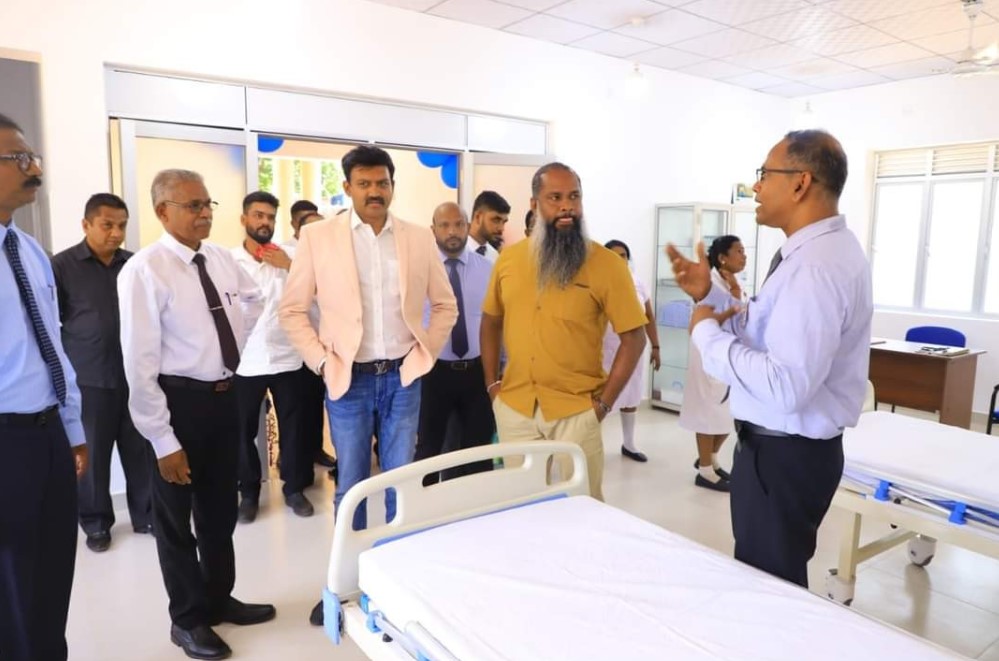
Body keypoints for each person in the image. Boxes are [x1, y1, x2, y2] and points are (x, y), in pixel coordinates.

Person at [666, 130, 872, 588]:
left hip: (784, 455)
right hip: (787, 452)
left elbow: (786, 385)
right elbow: (765, 329)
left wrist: (705, 332)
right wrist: (710, 295)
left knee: (770, 588)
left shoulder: (815, 267)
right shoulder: (817, 252)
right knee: (770, 578)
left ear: (800, 182)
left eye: (764, 174)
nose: (756, 187)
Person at [279, 146, 457, 622]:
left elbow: (445, 305)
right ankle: (344, 584)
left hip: (403, 376)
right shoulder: (318, 237)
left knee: (401, 482)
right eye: (364, 184)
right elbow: (292, 310)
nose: (374, 191)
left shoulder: (418, 237)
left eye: (382, 183)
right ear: (347, 188)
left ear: (392, 186)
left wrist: (424, 352)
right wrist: (321, 361)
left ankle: (398, 585)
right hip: (348, 378)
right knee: (352, 486)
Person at [119, 169, 275, 659]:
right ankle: (187, 619)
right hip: (177, 404)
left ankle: (217, 598)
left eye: (208, 204)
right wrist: (162, 440)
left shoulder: (221, 259)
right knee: (175, 521)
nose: (205, 213)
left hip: (224, 398)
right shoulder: (145, 270)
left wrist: (233, 346)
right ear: (162, 211)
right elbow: (139, 363)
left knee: (219, 511)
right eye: (193, 205)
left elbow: (253, 301)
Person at [481, 163, 647, 501]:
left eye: (574, 197)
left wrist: (603, 405)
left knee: (583, 507)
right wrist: (492, 386)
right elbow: (490, 320)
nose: (566, 207)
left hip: (577, 411)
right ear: (534, 204)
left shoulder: (607, 264)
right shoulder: (509, 260)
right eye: (555, 198)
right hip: (516, 408)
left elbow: (635, 338)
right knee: (521, 506)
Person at [0, 112, 88, 661]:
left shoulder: (29, 250)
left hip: (48, 433)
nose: (35, 169)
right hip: (5, 440)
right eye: (18, 159)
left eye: (32, 157)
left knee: (54, 567)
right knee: (11, 579)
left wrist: (72, 427)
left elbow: (50, 346)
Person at [52, 193, 153, 552]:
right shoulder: (62, 266)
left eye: (122, 226)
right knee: (93, 456)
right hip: (89, 379)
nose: (116, 233)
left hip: (134, 376)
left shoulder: (136, 264)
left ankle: (147, 515)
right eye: (107, 225)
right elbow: (50, 323)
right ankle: (96, 524)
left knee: (141, 449)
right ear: (86, 224)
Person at [231, 191, 315, 523]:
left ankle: (294, 488)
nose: (264, 222)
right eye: (258, 215)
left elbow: (319, 289)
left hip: (287, 356)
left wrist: (289, 266)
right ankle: (249, 493)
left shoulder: (291, 256)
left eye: (270, 217)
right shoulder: (228, 261)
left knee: (294, 427)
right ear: (244, 219)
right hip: (245, 361)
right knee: (242, 432)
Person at [415, 202, 495, 481]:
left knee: (478, 449)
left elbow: (496, 321)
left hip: (477, 372)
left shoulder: (487, 270)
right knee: (429, 448)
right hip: (433, 373)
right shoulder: (419, 272)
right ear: (433, 229)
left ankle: (477, 504)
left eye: (459, 224)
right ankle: (424, 505)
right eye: (445, 225)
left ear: (468, 226)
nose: (452, 231)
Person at [677, 234, 746, 492]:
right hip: (709, 355)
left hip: (728, 354)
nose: (744, 256)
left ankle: (711, 460)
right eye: (739, 251)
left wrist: (736, 290)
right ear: (722, 258)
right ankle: (705, 471)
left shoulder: (732, 281)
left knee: (726, 414)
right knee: (708, 412)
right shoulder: (710, 282)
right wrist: (736, 294)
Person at [601, 239, 661, 463]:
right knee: (602, 397)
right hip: (605, 349)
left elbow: (649, 316)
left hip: (633, 349)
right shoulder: (598, 282)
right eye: (614, 256)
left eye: (623, 255)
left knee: (631, 394)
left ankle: (629, 444)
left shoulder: (637, 282)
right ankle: (593, 446)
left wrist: (656, 345)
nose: (619, 260)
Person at [469, 190, 509, 260]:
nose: (501, 228)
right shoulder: (454, 252)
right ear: (478, 217)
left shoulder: (495, 256)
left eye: (504, 222)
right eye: (496, 220)